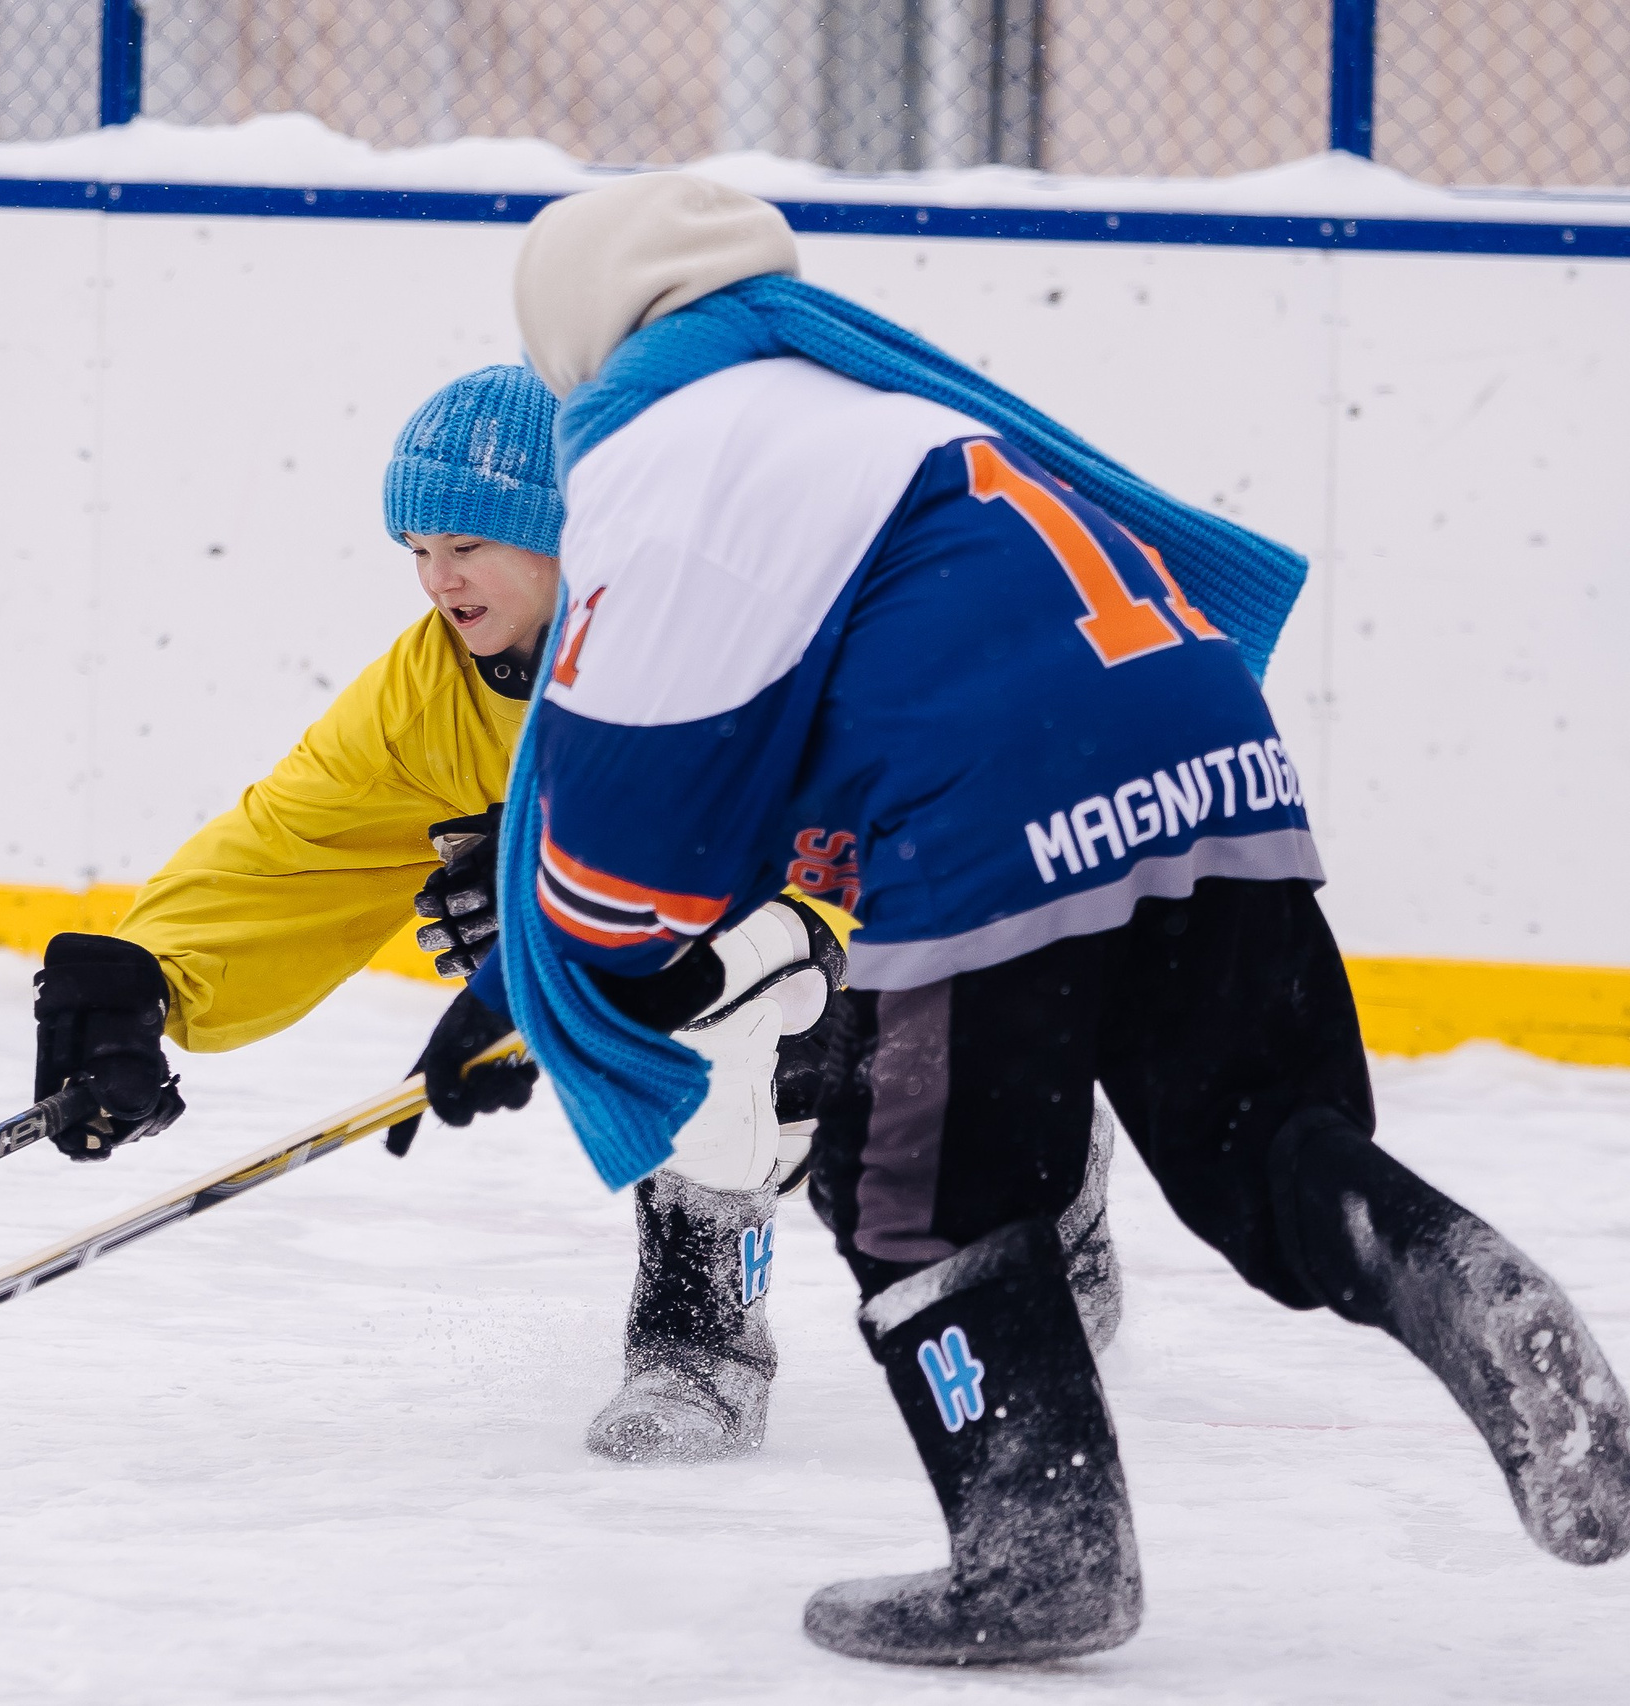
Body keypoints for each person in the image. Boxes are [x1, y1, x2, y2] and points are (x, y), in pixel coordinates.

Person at [442, 171, 1630, 1665]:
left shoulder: (666, 448)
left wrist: (554, 985)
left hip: (998, 802)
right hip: (1206, 758)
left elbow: (630, 836)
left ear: (574, 332)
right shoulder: (866, 399)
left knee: (912, 1195)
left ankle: (1038, 1546)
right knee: (1265, 1142)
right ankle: (1476, 1287)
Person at [26, 365, 1110, 1463]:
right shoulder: (432, 689)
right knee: (693, 1007)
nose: (438, 580)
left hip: (940, 931)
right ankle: (700, 1346)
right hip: (769, 979)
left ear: (567, 533)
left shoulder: (723, 640)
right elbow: (293, 844)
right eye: (417, 549)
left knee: (756, 1025)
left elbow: (869, 833)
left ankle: (1051, 1193)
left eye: (470, 544)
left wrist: (580, 892)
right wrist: (142, 976)